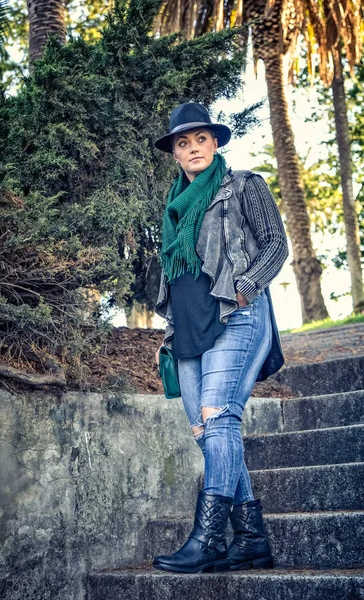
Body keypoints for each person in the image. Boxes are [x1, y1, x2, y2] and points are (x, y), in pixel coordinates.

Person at [152, 102, 289, 573]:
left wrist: (247, 285)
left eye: (200, 139)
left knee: (220, 419)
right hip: (189, 332)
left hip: (236, 317)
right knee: (206, 435)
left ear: (216, 143)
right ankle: (251, 539)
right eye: (182, 143)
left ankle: (207, 540)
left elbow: (276, 243)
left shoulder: (245, 185)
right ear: (174, 153)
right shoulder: (172, 208)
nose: (192, 148)